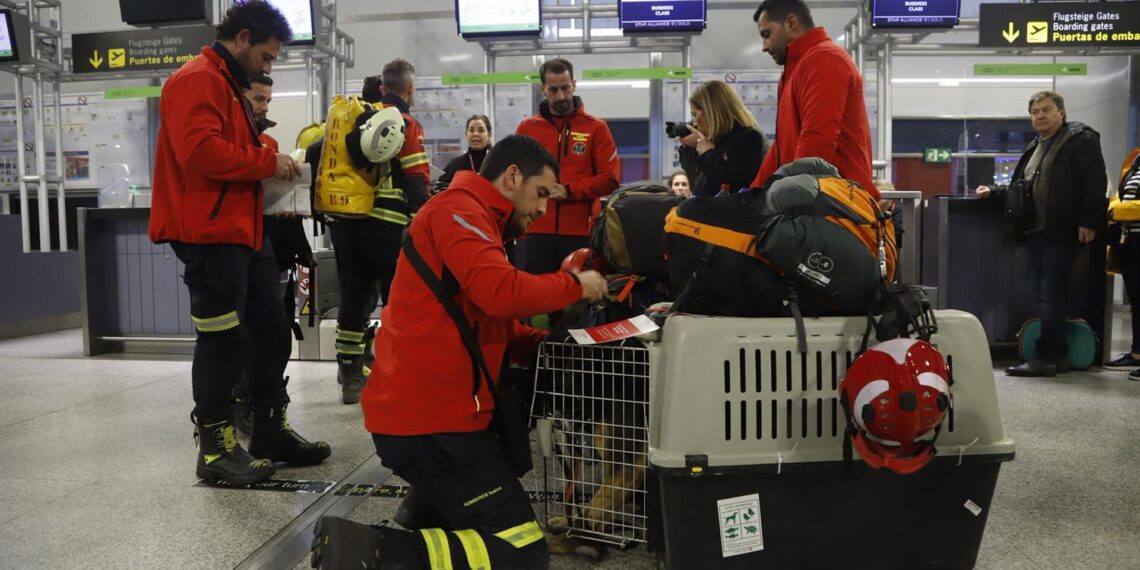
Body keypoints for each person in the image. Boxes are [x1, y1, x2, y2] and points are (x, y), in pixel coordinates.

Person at [310, 135, 608, 569]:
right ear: (511, 177)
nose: (543, 209)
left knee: (484, 523)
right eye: (541, 193)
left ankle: (427, 512)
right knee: (522, 552)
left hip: (442, 414)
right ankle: (366, 551)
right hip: (429, 422)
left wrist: (545, 343)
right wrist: (574, 286)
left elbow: (489, 321)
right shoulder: (458, 209)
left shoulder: (481, 219)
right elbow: (498, 292)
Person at [147, 0, 330, 485]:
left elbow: (238, 147)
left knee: (271, 329)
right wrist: (267, 164)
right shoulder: (198, 79)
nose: (268, 67)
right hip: (208, 235)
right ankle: (215, 448)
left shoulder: (226, 85)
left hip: (244, 232)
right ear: (244, 38)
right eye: (268, 57)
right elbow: (200, 151)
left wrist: (270, 163)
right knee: (223, 338)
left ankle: (268, 429)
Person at [975, 91, 1107, 377]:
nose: (1040, 116)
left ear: (1062, 112)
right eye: (1035, 112)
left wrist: (1089, 221)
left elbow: (1095, 181)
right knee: (1046, 294)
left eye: (1047, 110)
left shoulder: (1080, 139)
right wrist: (995, 192)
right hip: (1038, 231)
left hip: (1061, 229)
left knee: (1050, 295)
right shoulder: (1038, 145)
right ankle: (1056, 355)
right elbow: (1023, 186)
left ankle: (1046, 356)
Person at [329, 59, 431, 405]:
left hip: (349, 223)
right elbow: (416, 180)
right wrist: (423, 222)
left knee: (353, 300)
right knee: (397, 302)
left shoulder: (358, 119)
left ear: (382, 87)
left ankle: (351, 375)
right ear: (410, 89)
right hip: (389, 229)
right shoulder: (406, 124)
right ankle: (397, 370)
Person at [232, 71, 316, 436]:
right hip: (233, 248)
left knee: (273, 331)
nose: (264, 106)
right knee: (240, 335)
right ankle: (239, 410)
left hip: (265, 246)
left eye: (268, 100)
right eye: (258, 99)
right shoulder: (231, 140)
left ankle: (264, 414)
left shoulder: (269, 142)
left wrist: (283, 204)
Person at [749, 0, 879, 198]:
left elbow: (817, 140)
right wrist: (753, 193)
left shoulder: (825, 59)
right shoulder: (794, 72)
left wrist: (788, 196)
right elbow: (782, 147)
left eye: (767, 35)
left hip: (836, 205)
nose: (764, 46)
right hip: (814, 199)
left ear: (791, 23)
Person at [515, 58, 622, 274]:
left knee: (577, 304)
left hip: (580, 233)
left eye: (565, 88)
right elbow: (514, 175)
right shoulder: (528, 128)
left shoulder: (596, 128)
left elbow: (611, 178)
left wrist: (569, 190)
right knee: (537, 301)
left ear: (574, 84)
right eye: (553, 90)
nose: (561, 96)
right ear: (542, 88)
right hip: (535, 232)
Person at [677, 80, 768, 197]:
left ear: (711, 112)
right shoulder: (716, 139)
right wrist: (689, 149)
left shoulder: (749, 138)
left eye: (695, 114)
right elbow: (695, 183)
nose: (694, 123)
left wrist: (708, 153)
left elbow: (729, 183)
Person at [1105, 149, 1140, 378]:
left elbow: (1120, 206)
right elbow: (1119, 195)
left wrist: (1118, 210)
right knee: (1137, 300)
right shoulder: (1135, 160)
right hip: (1131, 242)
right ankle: (1137, 353)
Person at [437, 114, 493, 189]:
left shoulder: (498, 164)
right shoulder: (455, 165)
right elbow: (439, 191)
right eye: (472, 130)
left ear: (489, 135)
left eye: (481, 130)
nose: (475, 134)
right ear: (466, 134)